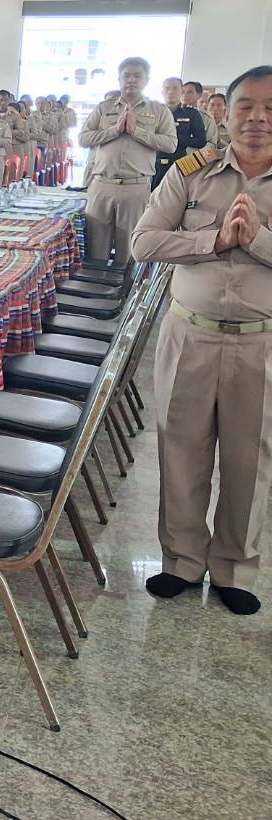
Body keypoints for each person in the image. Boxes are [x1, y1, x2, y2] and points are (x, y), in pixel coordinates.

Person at [131, 65, 272, 616]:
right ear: (225, 111)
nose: (258, 118)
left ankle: (236, 565)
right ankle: (183, 561)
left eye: (270, 108)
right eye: (246, 106)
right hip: (190, 333)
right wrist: (215, 238)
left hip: (261, 341)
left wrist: (255, 239)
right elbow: (144, 241)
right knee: (181, 448)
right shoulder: (193, 172)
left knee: (250, 458)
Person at [79, 57, 177, 262]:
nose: (131, 80)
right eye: (126, 76)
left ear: (147, 80)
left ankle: (123, 292)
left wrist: (136, 131)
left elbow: (170, 144)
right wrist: (114, 131)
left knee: (129, 249)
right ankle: (96, 291)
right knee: (95, 247)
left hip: (136, 187)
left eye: (137, 76)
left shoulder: (159, 111)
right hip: (101, 184)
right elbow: (84, 138)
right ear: (119, 79)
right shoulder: (103, 108)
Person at [153, 75, 209, 190]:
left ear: (181, 91)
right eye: (167, 89)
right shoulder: (154, 112)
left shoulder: (191, 113)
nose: (170, 92)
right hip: (154, 162)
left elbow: (201, 141)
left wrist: (174, 139)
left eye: (174, 88)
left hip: (179, 163)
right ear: (162, 92)